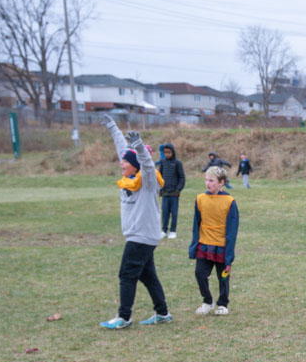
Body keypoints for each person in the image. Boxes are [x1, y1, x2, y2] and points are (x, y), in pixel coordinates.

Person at [99, 114, 171, 329]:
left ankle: (124, 317)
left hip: (141, 236)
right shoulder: (127, 180)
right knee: (148, 277)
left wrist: (139, 147)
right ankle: (163, 313)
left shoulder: (148, 181)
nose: (121, 163)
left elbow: (147, 165)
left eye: (125, 162)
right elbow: (123, 149)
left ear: (134, 166)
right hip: (139, 235)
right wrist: (112, 127)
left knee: (126, 274)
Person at [188, 165, 239, 316]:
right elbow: (196, 224)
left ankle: (223, 304)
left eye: (211, 180)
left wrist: (229, 255)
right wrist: (194, 246)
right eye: (206, 180)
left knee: (223, 277)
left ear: (221, 182)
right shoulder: (200, 199)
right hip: (204, 246)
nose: (207, 183)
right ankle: (207, 301)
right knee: (200, 274)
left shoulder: (230, 202)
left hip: (222, 247)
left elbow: (232, 230)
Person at [156, 142, 186, 240]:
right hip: (165, 192)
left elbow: (182, 178)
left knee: (174, 213)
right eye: (165, 153)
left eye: (169, 152)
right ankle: (164, 230)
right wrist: (160, 188)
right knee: (164, 212)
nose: (167, 154)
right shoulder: (162, 162)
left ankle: (173, 231)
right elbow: (159, 177)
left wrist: (178, 189)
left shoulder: (177, 163)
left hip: (174, 193)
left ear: (172, 152)